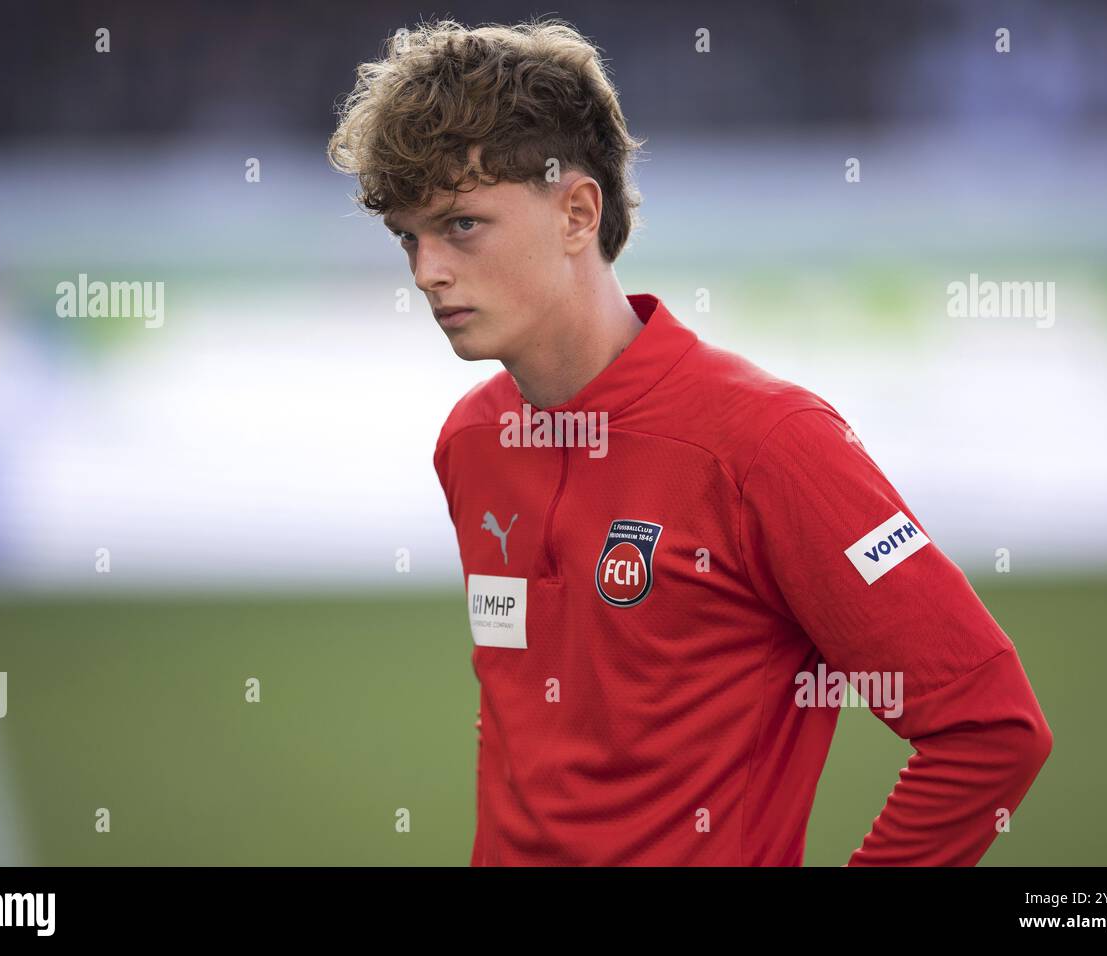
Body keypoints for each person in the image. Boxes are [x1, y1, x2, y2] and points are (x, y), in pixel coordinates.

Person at [328, 17, 1052, 866]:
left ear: (577, 212)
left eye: (461, 226)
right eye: (408, 237)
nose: (426, 272)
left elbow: (990, 728)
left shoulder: (770, 443)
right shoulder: (472, 441)